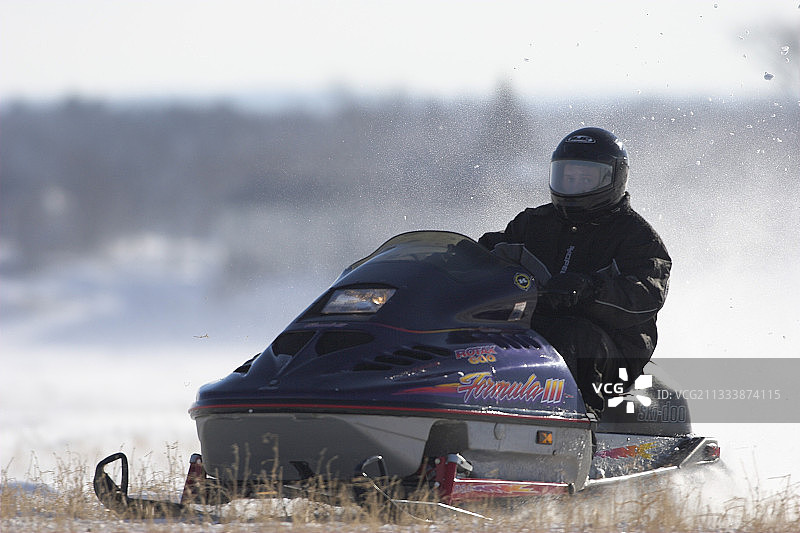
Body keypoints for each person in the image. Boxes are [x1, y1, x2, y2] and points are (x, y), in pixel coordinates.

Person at [478, 127, 670, 416]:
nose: (575, 185)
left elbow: (645, 294)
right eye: (568, 177)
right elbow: (485, 255)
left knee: (572, 335)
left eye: (586, 178)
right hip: (533, 327)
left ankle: (581, 418)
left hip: (610, 353)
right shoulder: (533, 224)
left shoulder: (637, 237)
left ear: (614, 178)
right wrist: (445, 259)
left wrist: (589, 289)